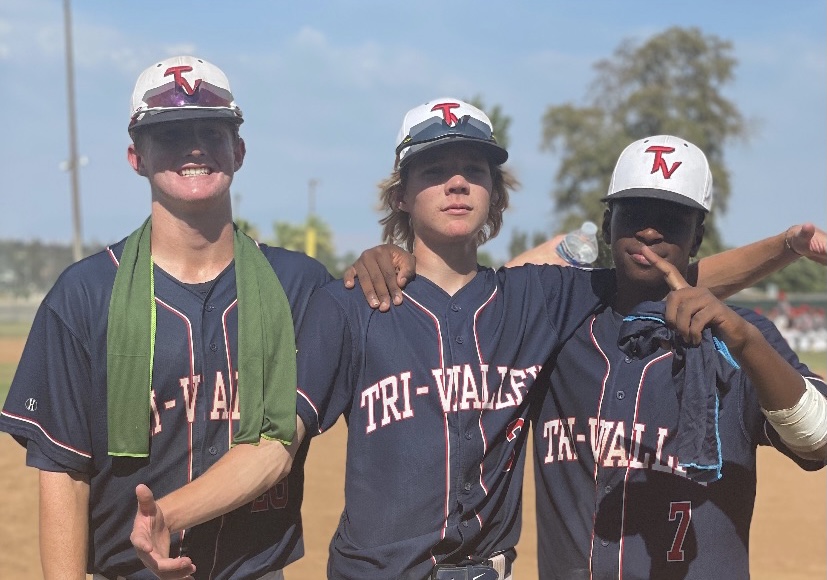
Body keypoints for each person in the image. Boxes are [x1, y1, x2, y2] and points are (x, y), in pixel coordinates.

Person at [130, 101, 824, 579]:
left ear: (495, 192)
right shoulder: (350, 304)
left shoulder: (538, 298)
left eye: (474, 171)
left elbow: (664, 269)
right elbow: (272, 444)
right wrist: (171, 512)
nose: (456, 182)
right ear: (400, 195)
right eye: (433, 170)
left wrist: (786, 247)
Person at [0, 55, 412, 580]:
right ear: (136, 156)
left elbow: (393, 336)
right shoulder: (84, 294)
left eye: (211, 131)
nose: (194, 147)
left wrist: (394, 257)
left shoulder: (300, 286)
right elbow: (63, 472)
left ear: (238, 151)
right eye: (170, 134)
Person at [530, 135, 827, 579]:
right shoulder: (556, 327)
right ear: (608, 222)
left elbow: (816, 442)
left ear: (698, 236)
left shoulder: (738, 335)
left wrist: (744, 343)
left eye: (671, 219)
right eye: (635, 214)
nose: (650, 232)